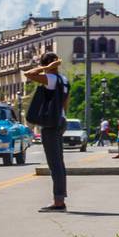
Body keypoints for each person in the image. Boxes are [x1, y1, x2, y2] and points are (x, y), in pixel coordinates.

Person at [24, 54, 69, 212]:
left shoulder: (50, 79)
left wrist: (45, 68)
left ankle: (58, 202)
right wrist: (62, 120)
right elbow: (65, 104)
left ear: (46, 65)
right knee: (59, 162)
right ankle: (60, 198)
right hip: (61, 121)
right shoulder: (64, 80)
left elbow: (28, 74)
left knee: (54, 163)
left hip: (51, 124)